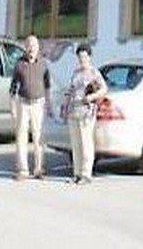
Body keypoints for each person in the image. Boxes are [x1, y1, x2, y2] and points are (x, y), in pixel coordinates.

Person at [9, 34, 53, 180]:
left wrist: (49, 105)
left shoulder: (43, 64)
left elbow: (47, 86)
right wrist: (13, 108)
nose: (31, 49)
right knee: (21, 137)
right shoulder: (19, 64)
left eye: (33, 46)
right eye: (28, 46)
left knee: (38, 137)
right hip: (23, 103)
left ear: (38, 47)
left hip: (38, 104)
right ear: (25, 48)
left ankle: (39, 169)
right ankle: (22, 170)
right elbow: (13, 88)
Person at [62, 43, 107, 184]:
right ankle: (77, 173)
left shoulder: (94, 73)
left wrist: (91, 97)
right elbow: (70, 90)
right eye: (80, 57)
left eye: (84, 56)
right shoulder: (76, 73)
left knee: (86, 143)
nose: (82, 59)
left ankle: (86, 174)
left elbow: (103, 89)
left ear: (89, 57)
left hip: (87, 113)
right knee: (76, 145)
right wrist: (65, 105)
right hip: (73, 112)